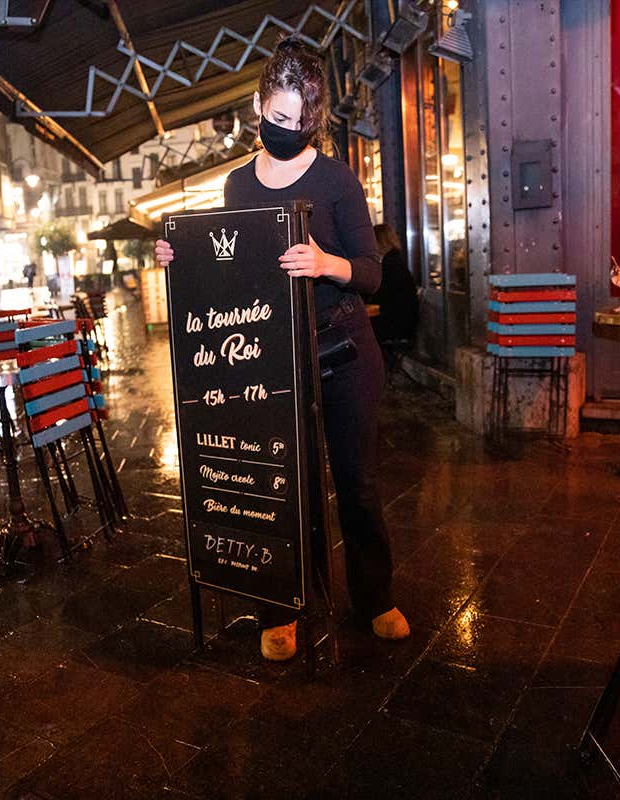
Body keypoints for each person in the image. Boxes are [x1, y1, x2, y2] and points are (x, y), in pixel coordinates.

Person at [155, 36, 409, 662]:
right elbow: (230, 266)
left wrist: (326, 262)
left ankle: (374, 597)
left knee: (356, 485)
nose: (287, 128)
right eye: (278, 115)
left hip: (346, 349)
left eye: (299, 121)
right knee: (284, 486)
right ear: (259, 105)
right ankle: (284, 606)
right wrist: (179, 259)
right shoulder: (238, 185)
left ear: (314, 120)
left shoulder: (336, 180)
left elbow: (375, 273)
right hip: (275, 357)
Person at [368, 223, 418, 344]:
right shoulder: (395, 260)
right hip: (405, 323)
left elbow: (379, 295)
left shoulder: (390, 265)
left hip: (396, 326)